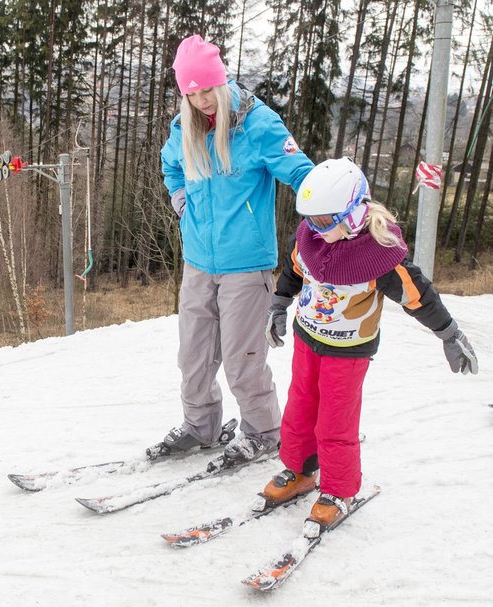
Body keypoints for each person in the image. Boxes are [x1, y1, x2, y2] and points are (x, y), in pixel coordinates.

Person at [258, 158, 479, 537]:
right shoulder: (311, 237)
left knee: (335, 420)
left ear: (355, 211)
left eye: (325, 221)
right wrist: (279, 303)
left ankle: (339, 490)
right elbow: (294, 270)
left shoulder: (378, 253)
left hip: (348, 350)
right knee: (299, 406)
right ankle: (300, 468)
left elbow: (418, 296)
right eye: (309, 219)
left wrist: (449, 333)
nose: (315, 228)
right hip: (307, 337)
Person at [158, 35, 315, 468]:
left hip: (246, 265)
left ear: (222, 79)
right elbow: (170, 164)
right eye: (191, 93)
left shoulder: (258, 124)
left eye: (207, 89)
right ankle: (200, 427)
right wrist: (178, 198)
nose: (202, 100)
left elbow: (301, 173)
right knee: (193, 354)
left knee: (242, 358)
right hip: (197, 262)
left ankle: (264, 431)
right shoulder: (183, 126)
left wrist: (334, 207)